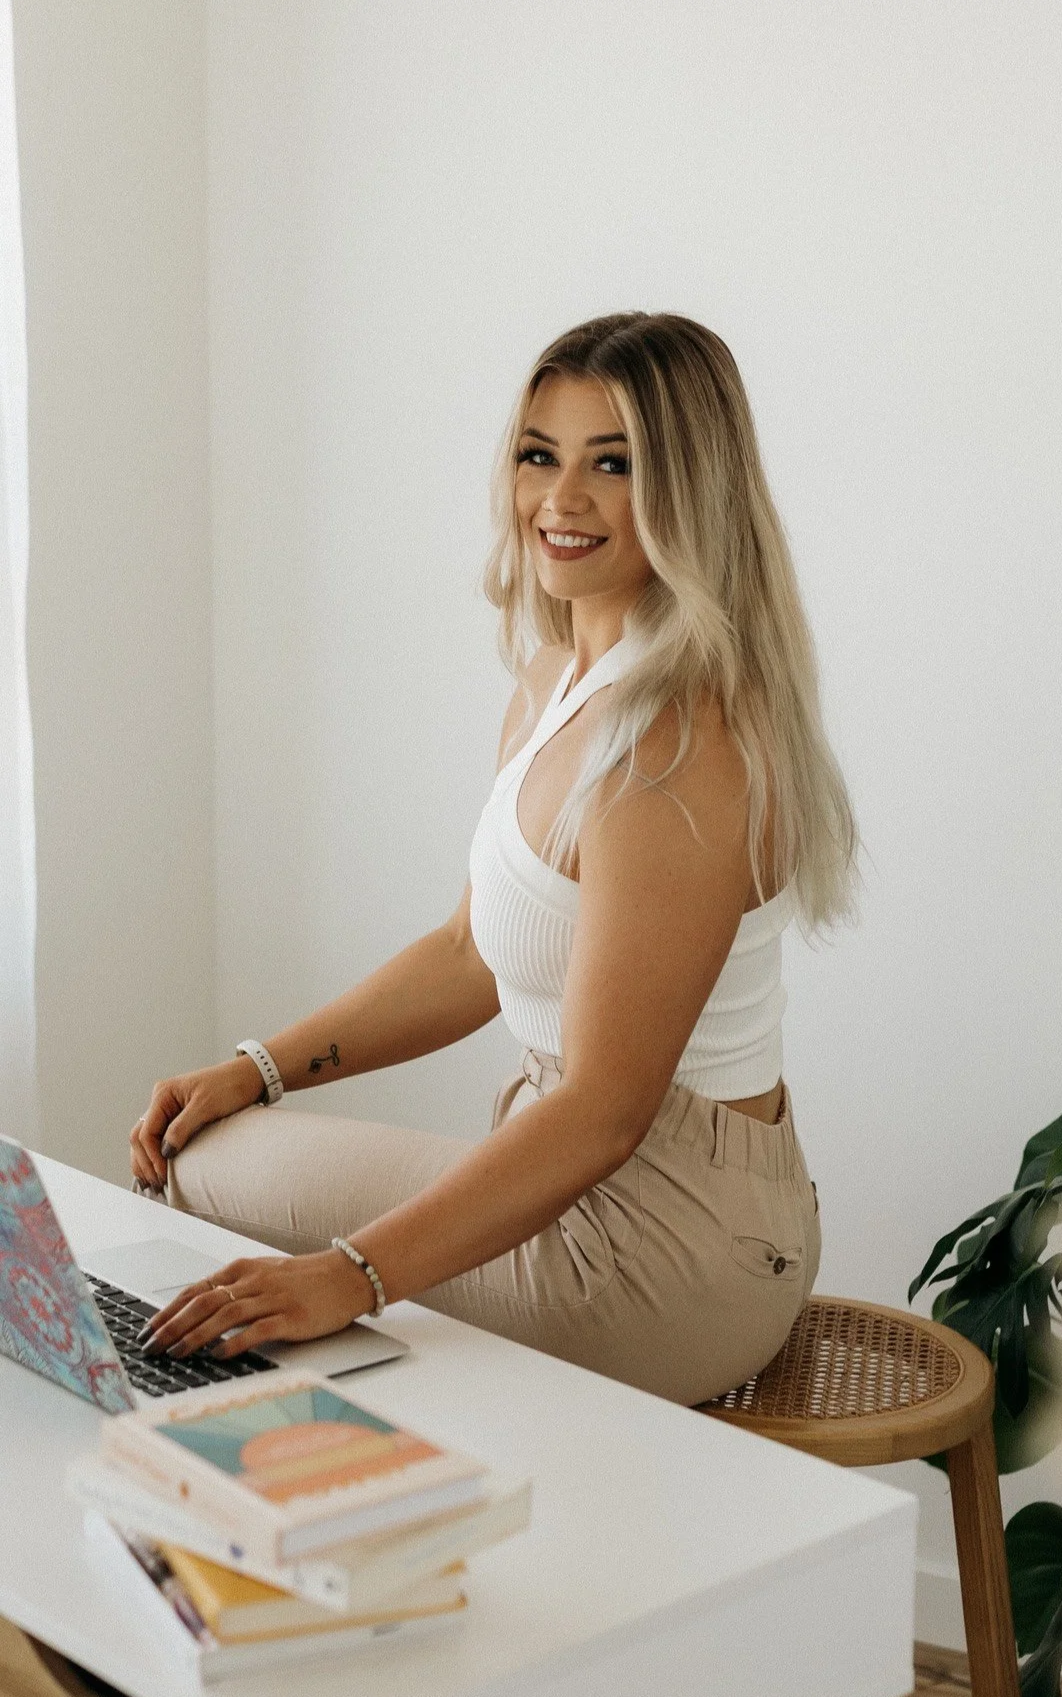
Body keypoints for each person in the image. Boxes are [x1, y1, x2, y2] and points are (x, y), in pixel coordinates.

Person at [129, 311, 857, 1407]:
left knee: (201, 1170)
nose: (559, 500)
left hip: (667, 1248)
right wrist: (256, 1068)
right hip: (595, 1180)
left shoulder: (675, 742)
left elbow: (606, 1107)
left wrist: (350, 1275)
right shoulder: (555, 681)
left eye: (612, 464)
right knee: (205, 1137)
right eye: (537, 454)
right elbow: (471, 952)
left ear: (690, 488)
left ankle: (304, 1483)